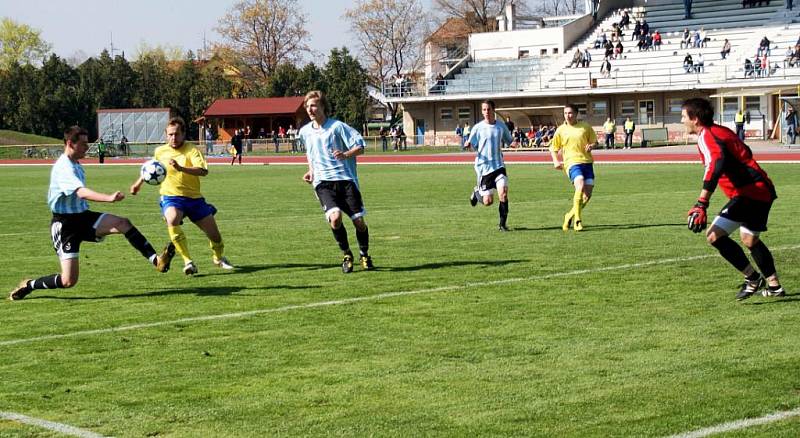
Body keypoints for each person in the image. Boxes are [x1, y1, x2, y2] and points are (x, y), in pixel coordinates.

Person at [8, 126, 174, 301]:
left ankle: (157, 260)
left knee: (123, 223)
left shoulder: (75, 164)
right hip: (65, 226)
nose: (87, 147)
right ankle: (29, 285)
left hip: (83, 217)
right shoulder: (65, 167)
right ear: (70, 143)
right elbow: (81, 192)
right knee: (68, 281)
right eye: (83, 144)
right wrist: (108, 198)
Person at [681, 98, 784, 300]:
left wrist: (702, 202)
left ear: (695, 119)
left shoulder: (707, 135)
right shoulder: (719, 131)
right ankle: (774, 285)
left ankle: (752, 279)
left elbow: (715, 165)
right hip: (761, 190)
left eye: (684, 116)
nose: (682, 120)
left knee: (714, 236)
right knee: (750, 239)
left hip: (750, 193)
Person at [130, 117, 234, 276]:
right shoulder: (160, 151)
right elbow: (151, 169)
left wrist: (180, 168)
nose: (173, 137)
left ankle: (218, 258)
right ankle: (188, 262)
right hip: (171, 197)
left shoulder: (191, 150)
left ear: (183, 134)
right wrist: (138, 183)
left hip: (194, 198)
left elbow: (203, 171)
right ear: (166, 135)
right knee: (172, 219)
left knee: (215, 236)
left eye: (177, 134)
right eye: (170, 134)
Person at [299, 90, 374, 273]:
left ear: (323, 106)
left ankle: (364, 254)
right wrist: (311, 170)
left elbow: (360, 146)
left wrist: (345, 154)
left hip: (346, 180)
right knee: (335, 218)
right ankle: (347, 254)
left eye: (314, 105)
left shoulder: (337, 127)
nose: (310, 109)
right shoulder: (305, 132)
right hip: (323, 183)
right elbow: (310, 152)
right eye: (307, 106)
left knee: (359, 223)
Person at [467, 100, 514, 231]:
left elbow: (509, 140)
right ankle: (477, 192)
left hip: (499, 166)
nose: (486, 112)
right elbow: (471, 145)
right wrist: (468, 145)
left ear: (493, 110)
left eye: (488, 109)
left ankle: (502, 224)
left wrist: (513, 143)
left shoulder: (501, 126)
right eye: (484, 110)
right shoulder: (478, 128)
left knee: (503, 194)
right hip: (484, 167)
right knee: (488, 201)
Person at [550, 104, 598, 232]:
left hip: (587, 162)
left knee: (587, 196)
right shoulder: (560, 130)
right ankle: (577, 220)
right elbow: (553, 148)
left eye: (570, 113)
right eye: (565, 113)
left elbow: (595, 141)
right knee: (580, 184)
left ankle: (569, 215)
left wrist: (591, 146)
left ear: (576, 114)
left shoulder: (585, 127)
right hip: (571, 163)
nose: (567, 116)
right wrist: (556, 161)